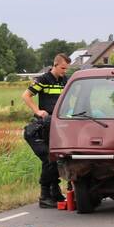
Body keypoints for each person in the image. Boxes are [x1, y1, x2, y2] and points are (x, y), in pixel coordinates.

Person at [22, 53, 70, 208]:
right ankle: (44, 196)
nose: (64, 71)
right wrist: (37, 111)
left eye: (66, 68)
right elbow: (26, 95)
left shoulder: (64, 80)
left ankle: (54, 193)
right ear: (55, 65)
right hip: (41, 127)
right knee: (50, 160)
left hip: (56, 126)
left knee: (55, 160)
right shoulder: (43, 79)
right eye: (62, 68)